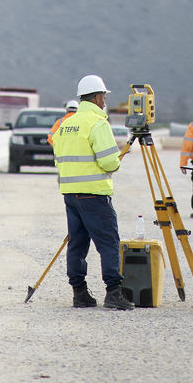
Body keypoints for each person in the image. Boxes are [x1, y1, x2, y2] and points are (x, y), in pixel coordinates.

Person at [52, 74, 130, 310]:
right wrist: (116, 161)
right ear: (97, 97)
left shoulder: (66, 125)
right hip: (94, 194)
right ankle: (114, 292)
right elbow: (109, 162)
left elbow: (58, 158)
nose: (105, 100)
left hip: (70, 194)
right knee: (108, 243)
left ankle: (80, 293)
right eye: (104, 96)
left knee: (77, 244)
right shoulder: (97, 123)